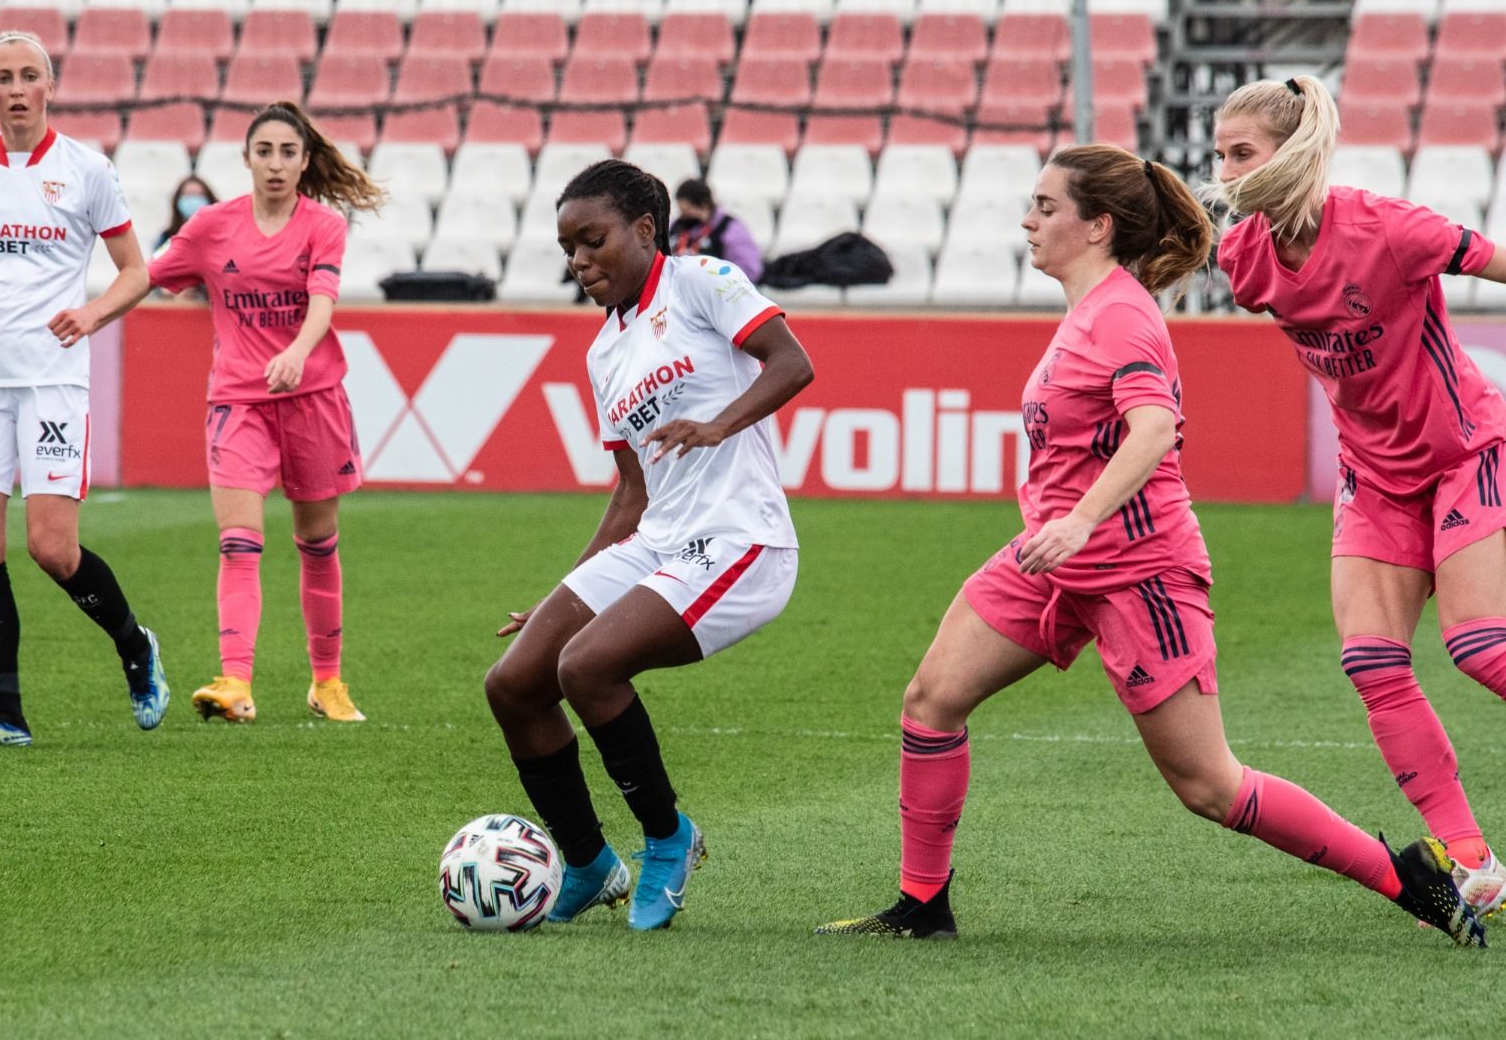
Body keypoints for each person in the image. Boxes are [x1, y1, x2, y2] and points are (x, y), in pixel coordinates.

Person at [815, 144, 1485, 945]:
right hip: (1052, 564)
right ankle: (922, 905)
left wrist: (1080, 520)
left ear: (1097, 226)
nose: (1028, 220)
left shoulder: (1124, 314)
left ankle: (1404, 877)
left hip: (1141, 575)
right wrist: (1061, 529)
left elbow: (1156, 427)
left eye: (1047, 207)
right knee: (931, 702)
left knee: (1210, 787)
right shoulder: (1089, 309)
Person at [484, 159, 814, 930]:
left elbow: (793, 362)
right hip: (661, 538)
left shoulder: (702, 280)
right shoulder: (604, 351)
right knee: (516, 680)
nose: (579, 261)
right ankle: (590, 862)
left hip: (741, 539)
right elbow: (632, 492)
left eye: (592, 241)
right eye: (568, 248)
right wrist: (563, 591)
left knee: (588, 667)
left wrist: (718, 423)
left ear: (643, 229)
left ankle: (670, 837)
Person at [1211, 74, 1506, 921]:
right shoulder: (1244, 258)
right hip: (1373, 476)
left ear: (1293, 152)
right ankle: (1476, 862)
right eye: (1221, 154)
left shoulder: (1390, 228)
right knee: (1373, 662)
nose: (1226, 171)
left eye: (1243, 153)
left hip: (1462, 453)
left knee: (1482, 647)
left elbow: (1492, 258)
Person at [0, 30, 169, 748]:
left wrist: (91, 313)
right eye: (5, 77)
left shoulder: (86, 170)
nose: (19, 88)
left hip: (54, 379)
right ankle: (6, 716)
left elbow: (136, 270)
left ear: (50, 87)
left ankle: (134, 645)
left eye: (31, 75)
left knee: (52, 549)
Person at [137, 101, 384, 724]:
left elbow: (323, 300)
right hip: (239, 401)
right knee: (238, 545)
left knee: (317, 544)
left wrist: (298, 352)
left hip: (313, 399)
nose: (275, 164)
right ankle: (234, 683)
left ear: (305, 162)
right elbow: (144, 276)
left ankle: (327, 682)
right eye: (264, 151)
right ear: (245, 158)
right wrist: (84, 316)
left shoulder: (323, 225)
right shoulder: (212, 227)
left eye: (287, 152)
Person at [669, 178, 763, 283]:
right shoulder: (677, 224)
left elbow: (750, 271)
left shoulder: (730, 229)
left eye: (687, 210)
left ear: (704, 205)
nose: (684, 216)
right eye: (681, 211)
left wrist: (715, 278)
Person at [156, 175, 216, 250]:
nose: (194, 199)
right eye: (188, 194)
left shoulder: (219, 235)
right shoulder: (167, 238)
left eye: (199, 194)